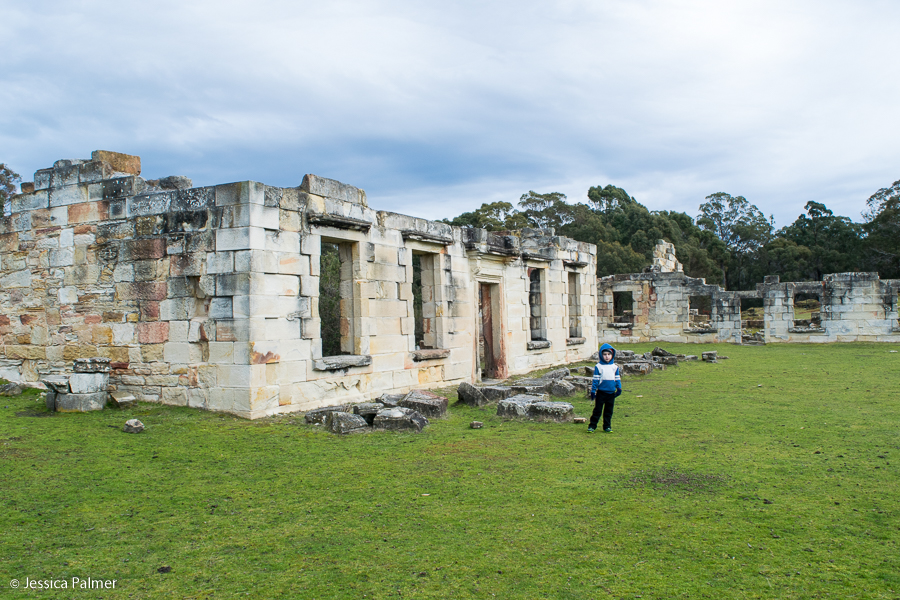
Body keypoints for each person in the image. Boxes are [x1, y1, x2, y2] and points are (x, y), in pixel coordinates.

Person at [589, 343, 621, 433]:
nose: (607, 357)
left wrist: (619, 388)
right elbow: (595, 380)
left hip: (611, 393)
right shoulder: (598, 367)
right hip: (601, 393)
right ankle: (592, 426)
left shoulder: (614, 367)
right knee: (597, 410)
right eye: (605, 354)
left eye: (609, 354)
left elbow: (617, 378)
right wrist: (593, 391)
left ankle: (607, 426)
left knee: (608, 411)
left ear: (612, 355)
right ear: (601, 355)